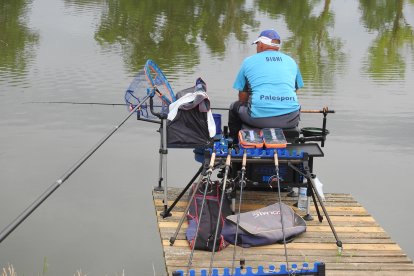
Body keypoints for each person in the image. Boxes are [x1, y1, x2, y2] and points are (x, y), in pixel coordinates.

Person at [228, 29, 304, 141]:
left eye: (257, 44)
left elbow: (243, 97)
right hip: (291, 118)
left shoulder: (248, 61)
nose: (257, 47)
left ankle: (234, 141)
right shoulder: (291, 61)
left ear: (262, 44)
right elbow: (294, 90)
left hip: (258, 118)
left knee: (234, 107)